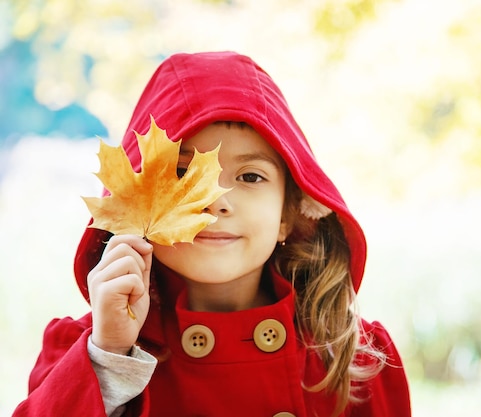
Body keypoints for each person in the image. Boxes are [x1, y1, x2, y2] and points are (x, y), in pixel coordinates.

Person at [14, 51, 411, 417]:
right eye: (183, 174)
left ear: (290, 215)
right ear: (135, 201)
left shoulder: (357, 362)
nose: (216, 201)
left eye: (250, 176)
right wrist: (109, 358)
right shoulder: (87, 350)